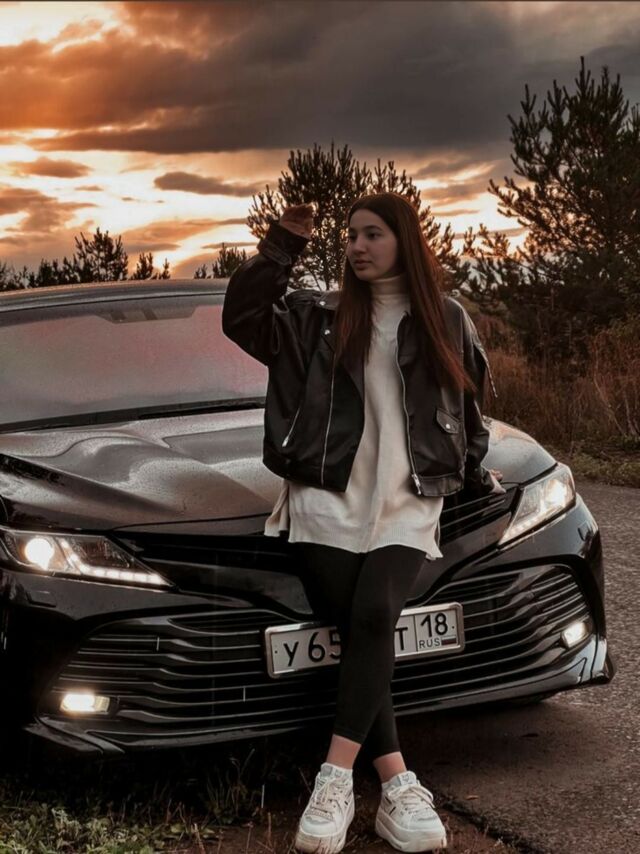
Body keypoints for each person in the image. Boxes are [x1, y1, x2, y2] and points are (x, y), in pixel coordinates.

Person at [222, 192, 505, 854]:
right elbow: (242, 318)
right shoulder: (316, 316)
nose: (357, 246)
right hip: (326, 493)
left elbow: (469, 403)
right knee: (359, 630)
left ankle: (334, 780)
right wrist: (280, 245)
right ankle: (397, 783)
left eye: (372, 234)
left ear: (405, 240)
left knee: (375, 615)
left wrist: (471, 472)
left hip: (409, 494)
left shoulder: (446, 317)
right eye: (350, 235)